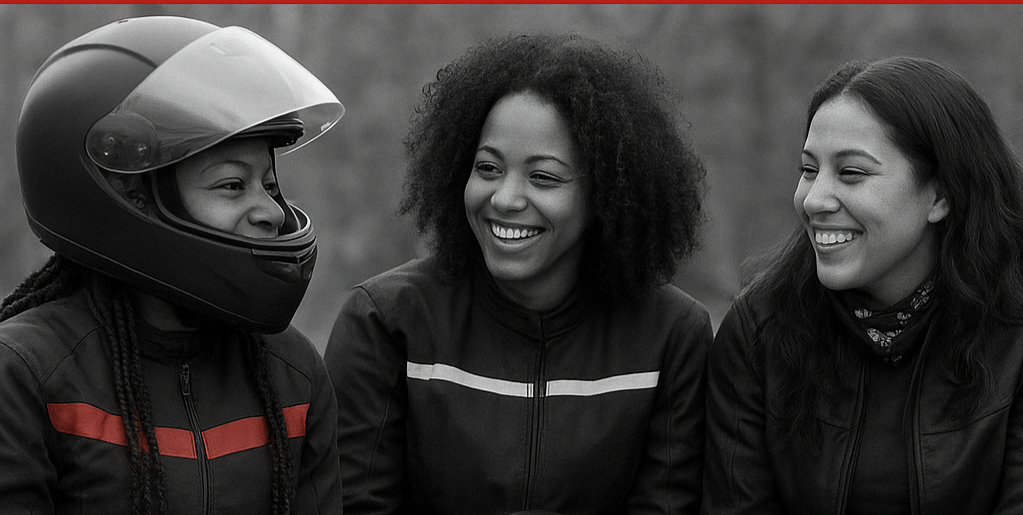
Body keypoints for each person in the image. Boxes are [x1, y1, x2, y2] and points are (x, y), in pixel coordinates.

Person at [324, 33, 712, 515]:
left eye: (543, 177)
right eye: (487, 168)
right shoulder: (386, 323)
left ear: (608, 193)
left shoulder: (671, 336)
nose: (505, 198)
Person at [0, 16, 345, 515]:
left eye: (270, 186)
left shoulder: (293, 375)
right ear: (132, 197)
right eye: (232, 185)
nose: (271, 212)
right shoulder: (25, 376)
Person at [703, 56, 1023, 514]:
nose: (813, 200)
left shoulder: (1013, 330)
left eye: (851, 173)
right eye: (809, 169)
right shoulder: (759, 333)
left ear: (941, 194)